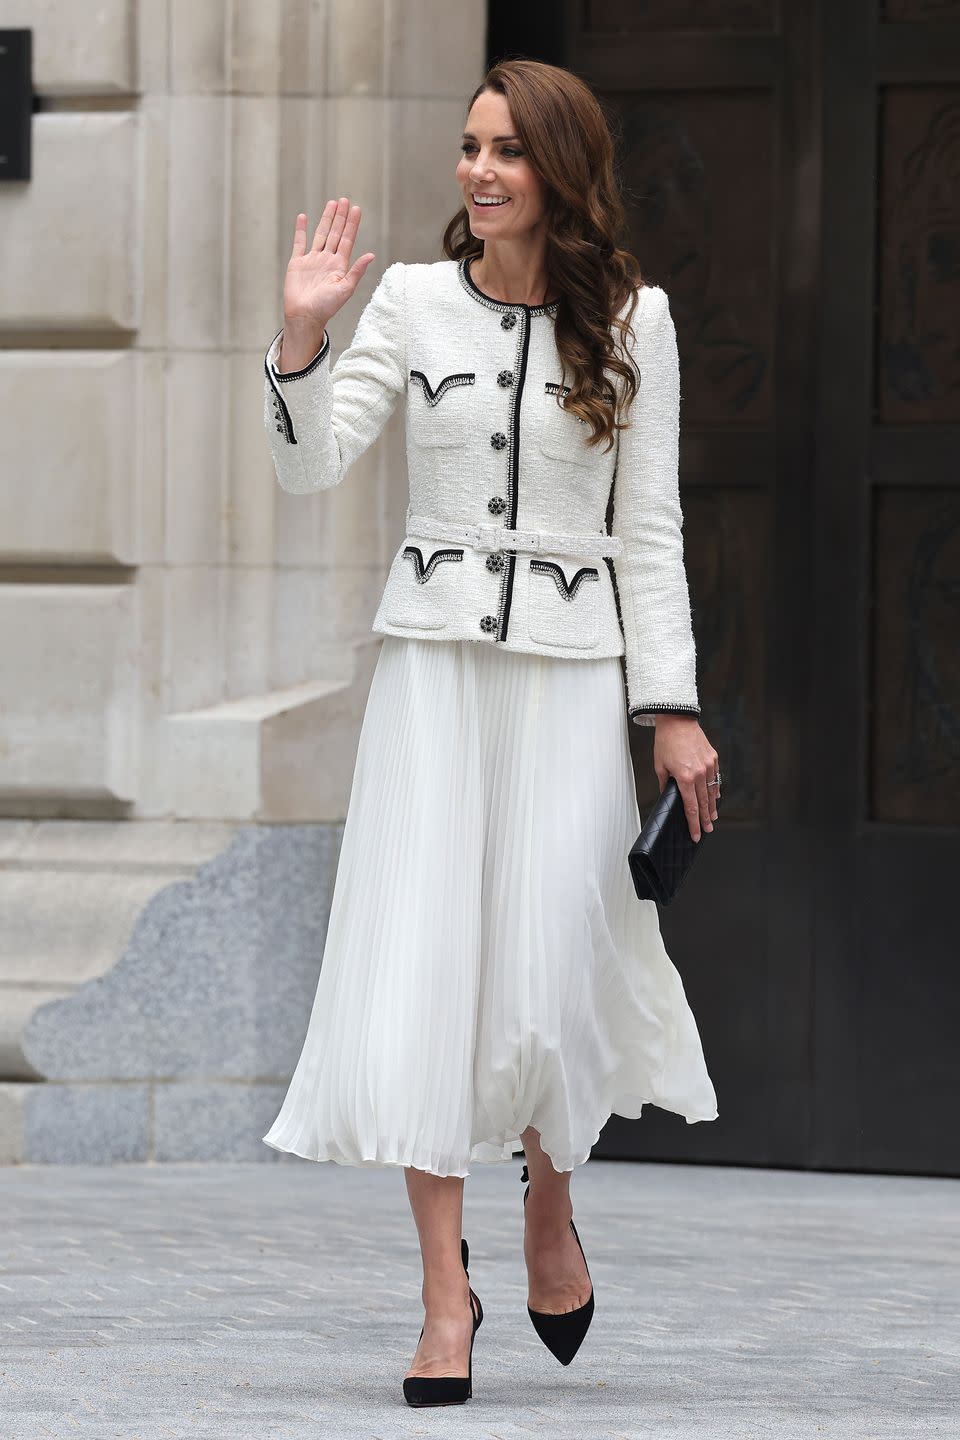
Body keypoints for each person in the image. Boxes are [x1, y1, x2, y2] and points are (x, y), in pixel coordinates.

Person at [260, 58, 720, 1409]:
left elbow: (649, 535)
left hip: (573, 680)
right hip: (434, 681)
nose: (478, 171)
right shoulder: (406, 302)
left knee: (552, 966)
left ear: (558, 170)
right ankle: (442, 1296)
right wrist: (301, 339)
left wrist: (672, 713)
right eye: (469, 146)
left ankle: (548, 1212)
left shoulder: (637, 320)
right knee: (428, 968)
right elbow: (309, 464)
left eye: (508, 151)